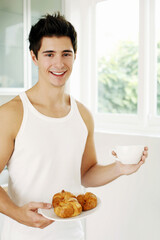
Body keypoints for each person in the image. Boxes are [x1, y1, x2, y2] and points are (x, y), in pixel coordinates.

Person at [0, 12, 148, 240]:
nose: (59, 63)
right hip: (22, 235)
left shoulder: (83, 115)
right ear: (34, 57)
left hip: (72, 234)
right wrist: (17, 213)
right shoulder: (12, 113)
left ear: (75, 56)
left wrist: (119, 168)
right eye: (49, 54)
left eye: (66, 54)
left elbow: (86, 174)